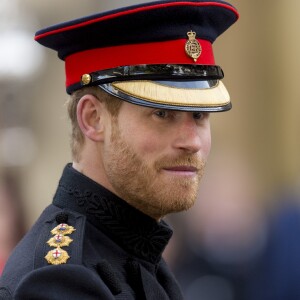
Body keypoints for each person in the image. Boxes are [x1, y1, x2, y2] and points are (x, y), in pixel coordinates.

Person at [0, 1, 239, 299]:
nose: (191, 141)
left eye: (200, 116)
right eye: (162, 114)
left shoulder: (138, 253)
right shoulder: (60, 280)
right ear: (92, 118)